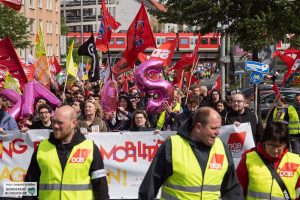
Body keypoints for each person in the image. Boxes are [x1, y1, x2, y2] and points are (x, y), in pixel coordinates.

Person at [139, 107, 244, 200]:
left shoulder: (221, 147)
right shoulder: (172, 145)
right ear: (198, 127)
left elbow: (232, 188)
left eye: (219, 128)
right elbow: (150, 185)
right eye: (213, 128)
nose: (218, 132)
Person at [24, 105, 109, 200]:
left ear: (74, 123)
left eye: (60, 123)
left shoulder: (90, 148)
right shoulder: (42, 148)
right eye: (54, 121)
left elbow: (101, 186)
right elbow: (30, 183)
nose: (55, 126)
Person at [236, 122, 300, 199]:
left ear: (286, 144)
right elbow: (238, 190)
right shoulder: (249, 157)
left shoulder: (296, 161)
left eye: (279, 146)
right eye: (271, 145)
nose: (275, 150)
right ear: (264, 141)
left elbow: (298, 191)